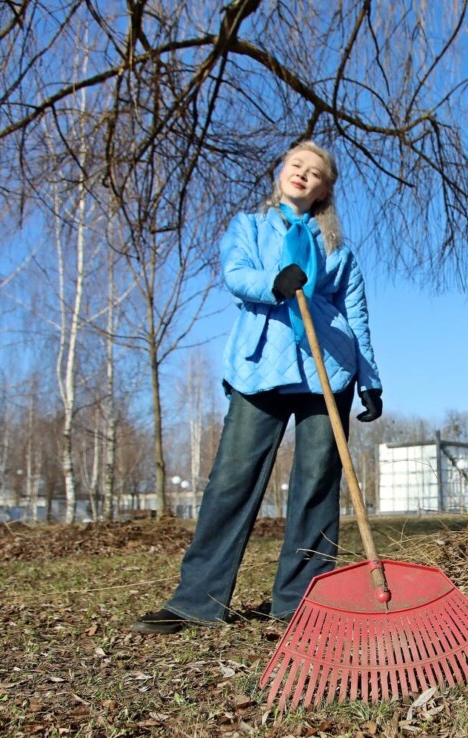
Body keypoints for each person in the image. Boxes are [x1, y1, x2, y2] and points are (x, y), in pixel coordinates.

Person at [132, 141, 383, 634]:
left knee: (316, 486)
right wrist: (276, 281)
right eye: (296, 166)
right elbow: (235, 274)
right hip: (260, 366)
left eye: (314, 173)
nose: (303, 175)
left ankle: (301, 603)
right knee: (232, 480)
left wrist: (370, 377)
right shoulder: (247, 227)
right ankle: (197, 601)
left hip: (327, 370)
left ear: (324, 191)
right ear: (281, 171)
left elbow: (357, 316)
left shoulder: (338, 250)